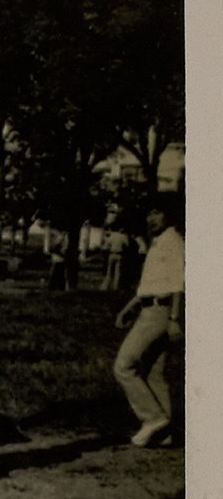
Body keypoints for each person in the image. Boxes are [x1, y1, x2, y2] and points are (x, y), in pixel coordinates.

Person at [111, 192, 184, 448]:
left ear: (169, 214)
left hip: (160, 313)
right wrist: (127, 309)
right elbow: (148, 286)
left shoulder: (173, 241)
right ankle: (166, 434)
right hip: (149, 307)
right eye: (149, 213)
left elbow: (178, 283)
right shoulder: (158, 242)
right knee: (154, 373)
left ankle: (152, 418)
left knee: (124, 365)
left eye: (157, 212)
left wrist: (174, 319)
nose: (151, 218)